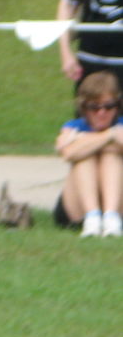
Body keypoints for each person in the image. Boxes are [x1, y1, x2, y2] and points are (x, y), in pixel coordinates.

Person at [53, 71, 123, 238]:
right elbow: (68, 153)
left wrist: (83, 140)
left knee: (110, 158)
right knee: (85, 158)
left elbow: (70, 146)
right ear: (83, 107)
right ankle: (92, 218)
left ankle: (110, 217)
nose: (102, 113)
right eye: (94, 107)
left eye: (108, 106)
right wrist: (110, 136)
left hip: (118, 203)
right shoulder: (73, 125)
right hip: (77, 206)